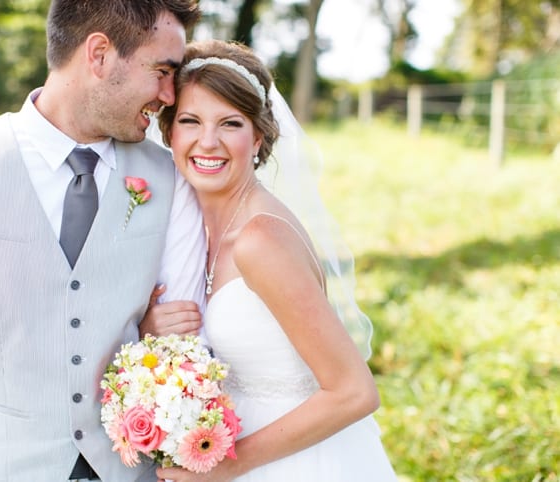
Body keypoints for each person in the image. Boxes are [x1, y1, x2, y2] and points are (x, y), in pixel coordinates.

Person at [0, 1, 205, 481]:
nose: (168, 95)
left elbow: (187, 338)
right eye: (161, 71)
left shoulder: (172, 178)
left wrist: (144, 334)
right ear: (98, 55)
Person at [153, 39, 397, 481]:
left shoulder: (259, 239)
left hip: (296, 462)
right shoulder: (191, 225)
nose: (208, 142)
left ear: (259, 136)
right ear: (169, 131)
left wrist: (230, 464)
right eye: (190, 121)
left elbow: (355, 392)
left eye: (230, 123)